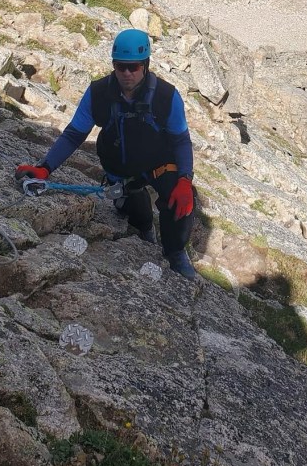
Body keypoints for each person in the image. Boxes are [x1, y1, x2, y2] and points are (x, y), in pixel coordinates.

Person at [16, 29, 197, 280]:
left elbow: (181, 140)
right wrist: (45, 168)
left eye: (133, 67)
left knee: (181, 197)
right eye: (121, 66)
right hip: (120, 169)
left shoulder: (166, 97)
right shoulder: (99, 93)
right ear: (113, 65)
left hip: (158, 164)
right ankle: (144, 228)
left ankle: (175, 252)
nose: (126, 73)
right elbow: (74, 134)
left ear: (145, 65)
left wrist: (185, 179)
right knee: (138, 214)